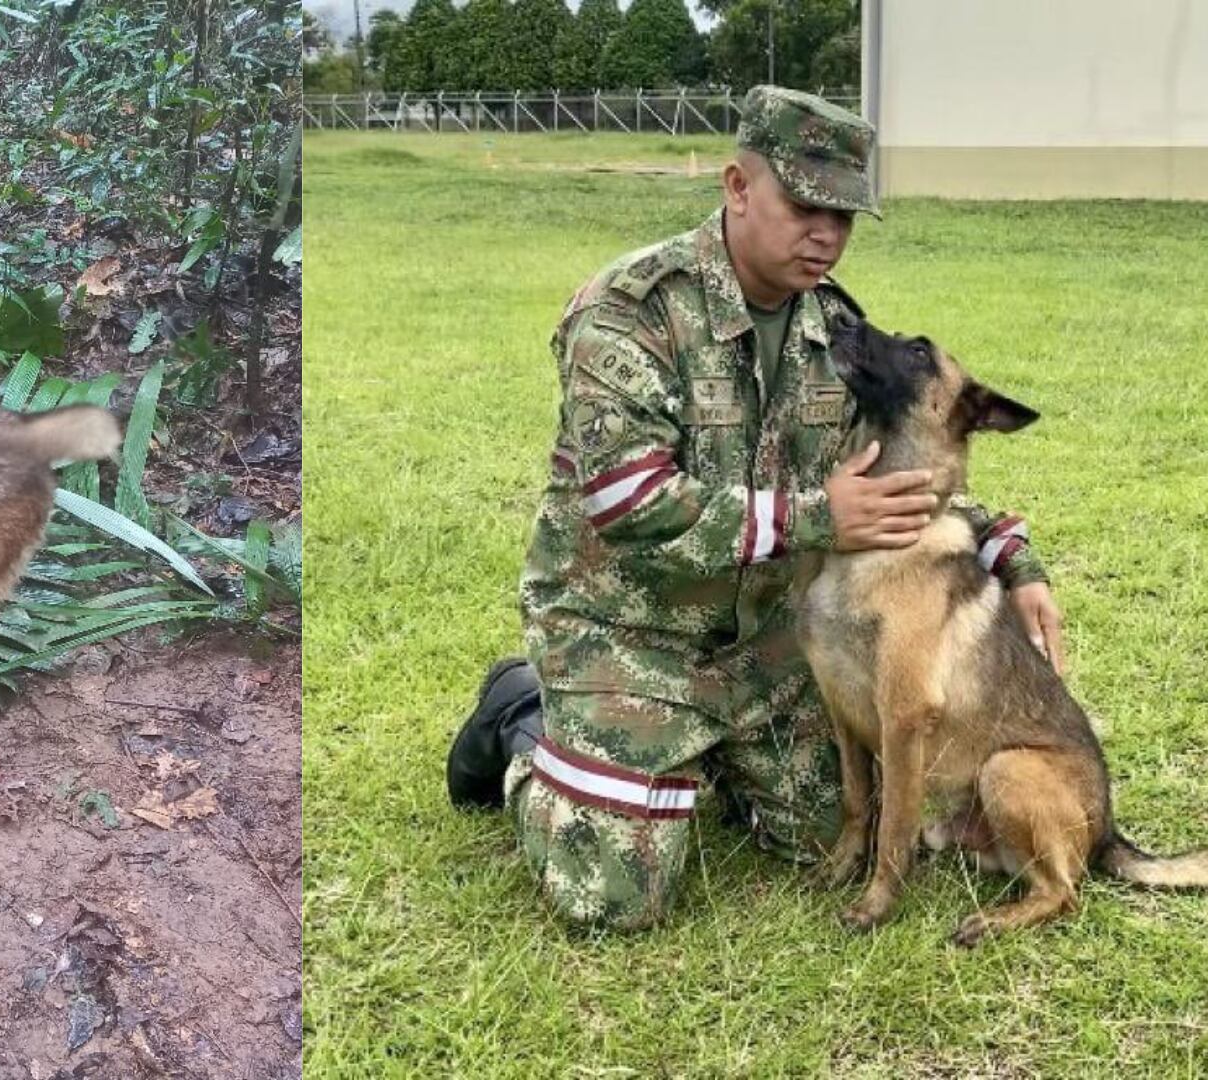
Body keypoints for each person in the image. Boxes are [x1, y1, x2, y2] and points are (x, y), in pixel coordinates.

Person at [445, 86, 1065, 929]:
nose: (828, 235)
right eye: (806, 205)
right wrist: (816, 519)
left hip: (767, 649)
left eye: (845, 216)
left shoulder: (837, 332)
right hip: (631, 634)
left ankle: (699, 759)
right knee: (613, 895)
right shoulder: (632, 311)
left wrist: (1011, 559)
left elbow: (900, 478)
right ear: (737, 185)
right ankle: (520, 712)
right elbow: (631, 501)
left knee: (833, 837)